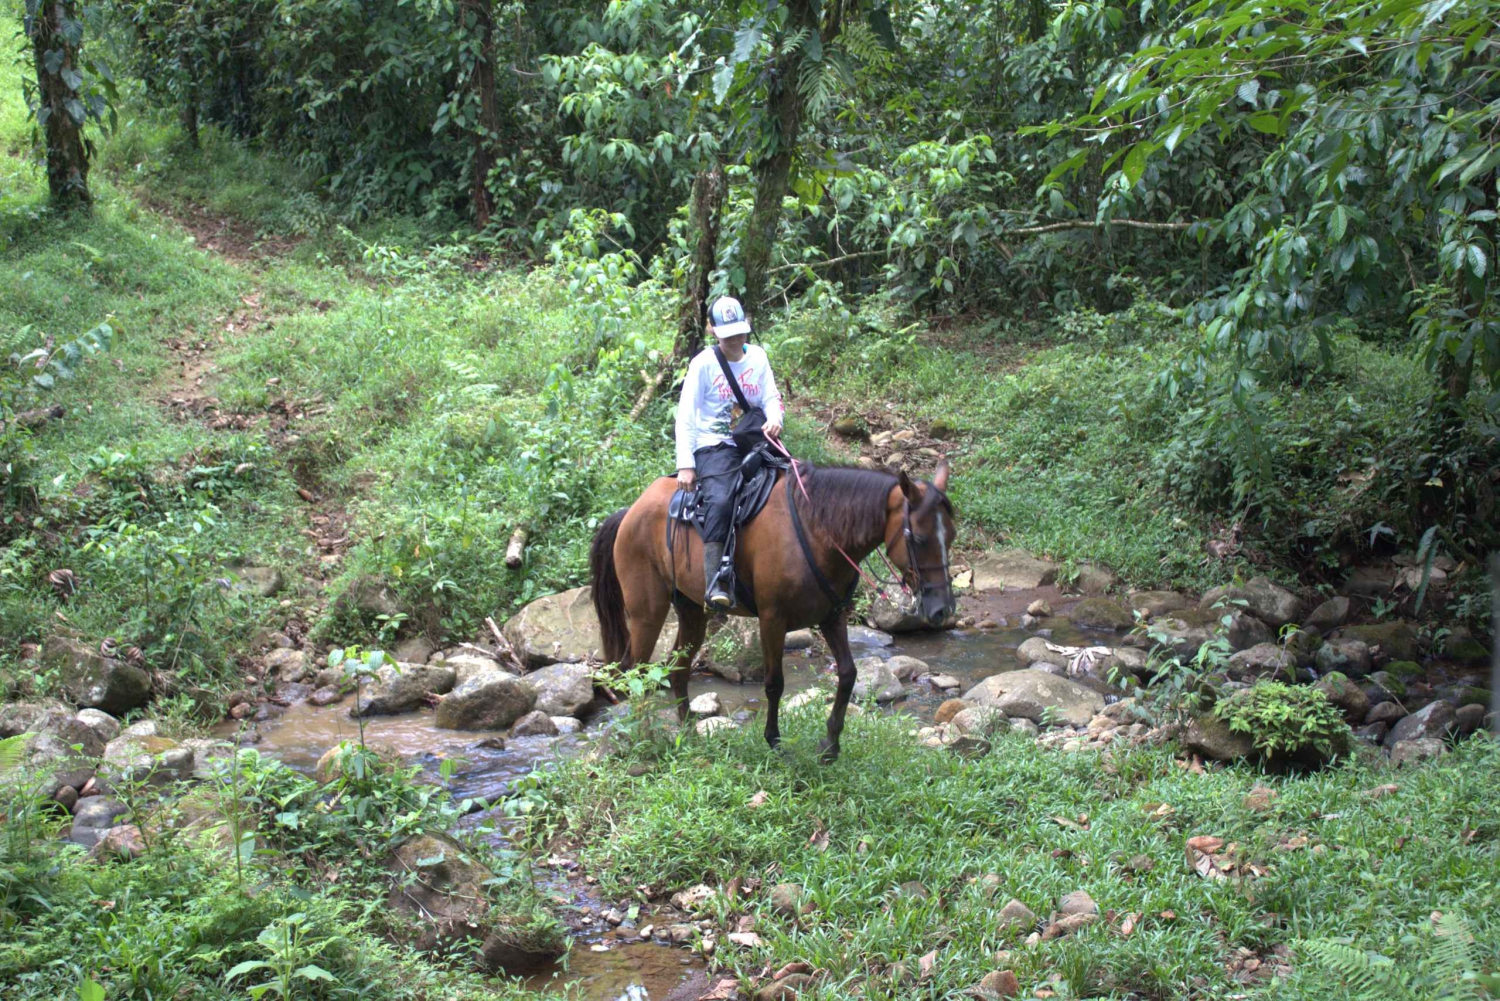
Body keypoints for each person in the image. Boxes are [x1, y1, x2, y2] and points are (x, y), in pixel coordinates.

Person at [675, 296, 785, 609]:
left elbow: (771, 398)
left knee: (795, 482)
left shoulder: (759, 358)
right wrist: (686, 464)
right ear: (713, 332)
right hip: (714, 444)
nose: (735, 340)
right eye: (728, 335)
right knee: (721, 500)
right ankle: (715, 582)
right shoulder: (703, 364)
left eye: (739, 333)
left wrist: (775, 419)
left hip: (754, 439)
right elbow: (686, 415)